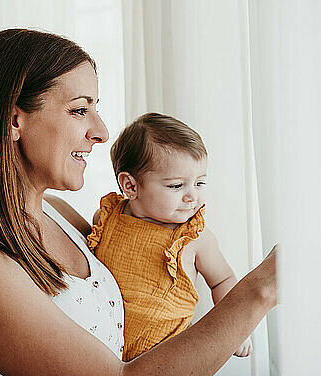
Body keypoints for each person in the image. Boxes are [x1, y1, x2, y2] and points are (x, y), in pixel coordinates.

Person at [0, 28, 277, 376]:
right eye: (79, 110)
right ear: (13, 120)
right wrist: (261, 289)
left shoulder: (58, 214)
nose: (101, 132)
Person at [87, 113, 251, 361]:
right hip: (100, 350)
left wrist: (236, 329)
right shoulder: (106, 219)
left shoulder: (195, 239)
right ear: (130, 186)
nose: (192, 196)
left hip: (164, 359)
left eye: (199, 183)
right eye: (177, 186)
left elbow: (223, 279)